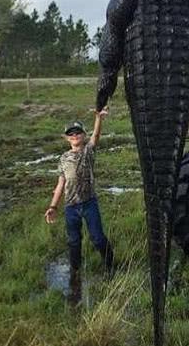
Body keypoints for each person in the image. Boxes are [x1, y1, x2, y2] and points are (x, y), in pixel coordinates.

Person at [45, 108, 114, 276]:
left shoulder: (88, 152)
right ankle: (75, 271)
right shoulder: (63, 158)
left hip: (89, 203)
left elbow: (96, 137)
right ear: (66, 138)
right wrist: (53, 206)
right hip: (71, 207)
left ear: (83, 135)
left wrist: (98, 118)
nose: (74, 135)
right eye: (71, 134)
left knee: (98, 238)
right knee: (74, 241)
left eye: (78, 132)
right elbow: (61, 183)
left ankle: (111, 266)